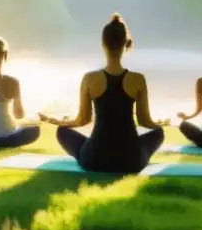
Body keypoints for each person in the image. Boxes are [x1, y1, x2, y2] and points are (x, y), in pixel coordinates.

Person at [39, 13, 169, 174]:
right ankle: (139, 154)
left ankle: (91, 150)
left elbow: (83, 120)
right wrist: (160, 124)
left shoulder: (90, 78)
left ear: (103, 43)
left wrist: (61, 122)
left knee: (62, 131)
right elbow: (144, 121)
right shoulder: (138, 79)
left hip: (94, 158)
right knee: (159, 133)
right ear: (126, 44)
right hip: (130, 160)